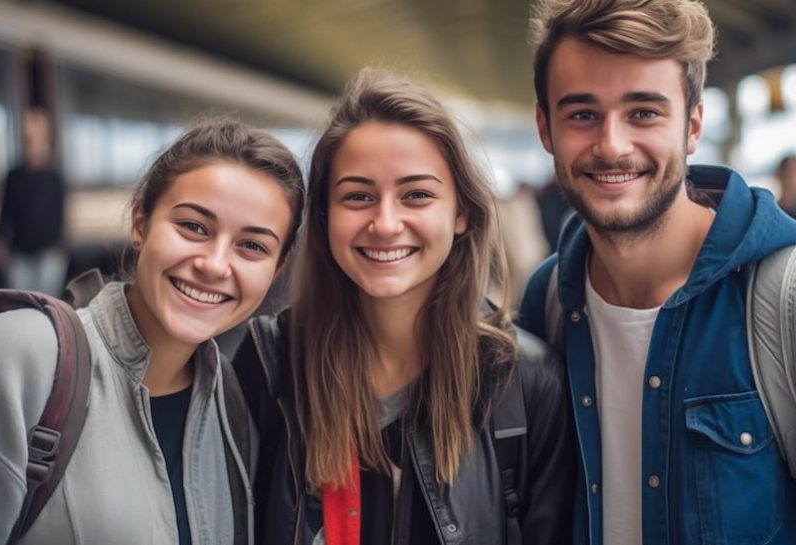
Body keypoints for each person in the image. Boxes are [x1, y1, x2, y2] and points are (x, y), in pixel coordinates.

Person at [518, 1, 796, 544]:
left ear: (692, 125)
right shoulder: (549, 301)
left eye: (644, 112)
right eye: (582, 114)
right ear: (545, 127)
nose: (612, 144)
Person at [0, 118, 306, 545]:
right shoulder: (18, 357)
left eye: (252, 246)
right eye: (193, 227)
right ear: (140, 222)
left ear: (279, 267)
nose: (215, 265)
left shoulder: (231, 401)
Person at [232, 69, 574, 545]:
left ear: (461, 214)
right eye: (358, 196)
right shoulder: (271, 363)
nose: (386, 223)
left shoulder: (525, 381)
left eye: (416, 195)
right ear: (326, 216)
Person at [0, 107, 69, 295]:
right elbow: (5, 212)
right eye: (27, 138)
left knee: (46, 305)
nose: (30, 143)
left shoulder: (55, 177)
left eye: (35, 137)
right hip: (19, 255)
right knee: (21, 306)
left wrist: (60, 245)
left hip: (49, 255)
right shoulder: (13, 176)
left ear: (46, 139)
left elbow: (61, 213)